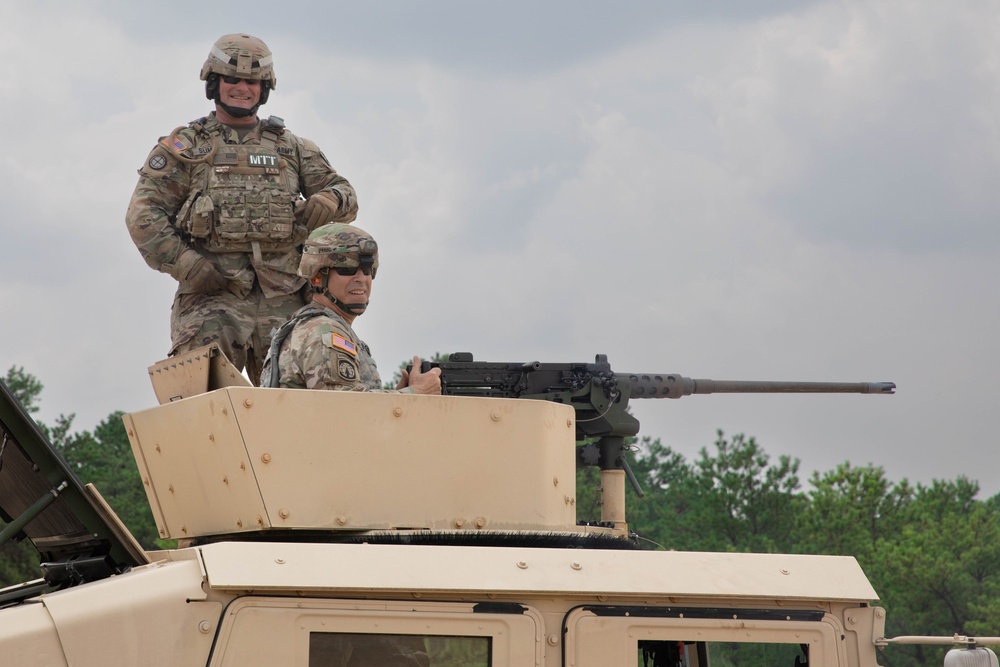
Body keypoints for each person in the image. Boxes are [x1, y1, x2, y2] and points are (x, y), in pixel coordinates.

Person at [126, 33, 358, 384]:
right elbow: (143, 216)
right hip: (212, 298)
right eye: (232, 78)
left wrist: (329, 200)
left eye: (252, 81)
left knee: (303, 403)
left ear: (264, 89)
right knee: (202, 402)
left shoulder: (291, 148)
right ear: (214, 83)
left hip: (286, 297)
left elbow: (344, 192)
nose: (241, 87)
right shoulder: (185, 147)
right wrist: (188, 265)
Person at [261, 223, 441, 394]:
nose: (361, 278)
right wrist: (417, 392)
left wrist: (398, 396)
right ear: (318, 276)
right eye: (347, 269)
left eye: (367, 270)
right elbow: (346, 411)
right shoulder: (325, 332)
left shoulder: (320, 327)